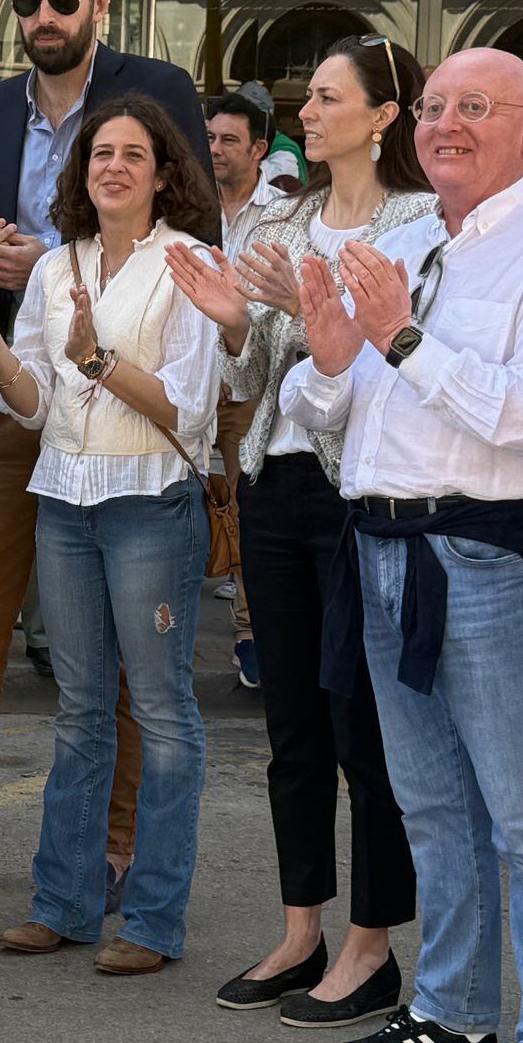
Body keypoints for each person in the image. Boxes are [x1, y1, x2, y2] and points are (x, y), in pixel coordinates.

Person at [284, 48, 523, 1043]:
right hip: (381, 546)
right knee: (428, 803)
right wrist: (335, 361)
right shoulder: (413, 243)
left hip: (486, 554)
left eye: (472, 108)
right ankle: (454, 1014)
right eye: (432, 108)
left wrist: (398, 339)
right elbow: (343, 416)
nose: (443, 126)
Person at [0, 0, 209, 894]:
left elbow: (192, 234)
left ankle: (118, 851)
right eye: (28, 4)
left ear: (100, 5)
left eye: (61, 3)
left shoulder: (156, 91)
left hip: (123, 407)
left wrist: (48, 268)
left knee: (116, 652)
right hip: (14, 397)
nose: (43, 20)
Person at [168, 37, 432, 1024]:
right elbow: (242, 381)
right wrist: (239, 322)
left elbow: (407, 360)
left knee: (363, 725)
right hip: (274, 486)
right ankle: (298, 929)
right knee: (291, 729)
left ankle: (372, 947)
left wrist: (304, 307)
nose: (305, 114)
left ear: (380, 115)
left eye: (326, 98)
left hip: (363, 492)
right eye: (305, 99)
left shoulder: (418, 224)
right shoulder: (277, 217)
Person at [0, 94, 219, 974]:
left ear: (165, 173)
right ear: (80, 171)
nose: (114, 167)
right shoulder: (56, 267)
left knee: (162, 715)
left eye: (134, 154)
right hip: (63, 500)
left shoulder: (193, 265)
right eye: (100, 154)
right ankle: (64, 902)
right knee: (80, 713)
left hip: (150, 504)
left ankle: (154, 921)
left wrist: (99, 360)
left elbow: (190, 409)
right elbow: (38, 406)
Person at [205, 90, 285, 685]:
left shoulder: (285, 214)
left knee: (245, 508)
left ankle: (251, 630)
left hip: (248, 384)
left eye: (229, 139)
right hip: (183, 382)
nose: (215, 149)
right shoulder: (182, 208)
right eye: (208, 137)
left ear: (259, 149)